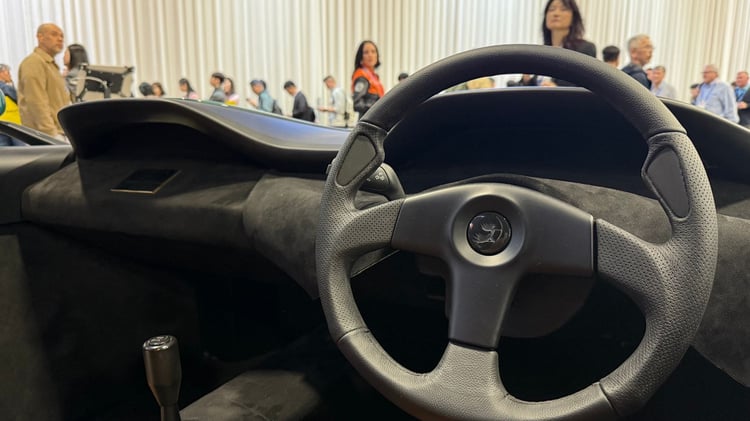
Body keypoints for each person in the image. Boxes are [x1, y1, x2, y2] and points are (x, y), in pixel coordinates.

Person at [17, 23, 70, 139]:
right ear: (40, 37)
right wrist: (51, 134)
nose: (60, 39)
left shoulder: (50, 65)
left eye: (62, 36)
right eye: (54, 34)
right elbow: (36, 102)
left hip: (59, 132)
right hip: (45, 135)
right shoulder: (34, 62)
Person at [541, 0, 596, 87]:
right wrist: (527, 80)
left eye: (563, 9)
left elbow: (585, 85)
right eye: (551, 9)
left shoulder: (584, 49)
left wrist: (558, 89)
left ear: (573, 17)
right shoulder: (542, 52)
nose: (556, 14)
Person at [351, 40, 385, 118]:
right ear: (361, 56)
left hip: (375, 118)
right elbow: (357, 104)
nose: (370, 55)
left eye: (373, 51)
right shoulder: (361, 76)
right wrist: (379, 107)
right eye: (366, 52)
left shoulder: (374, 76)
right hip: (368, 120)